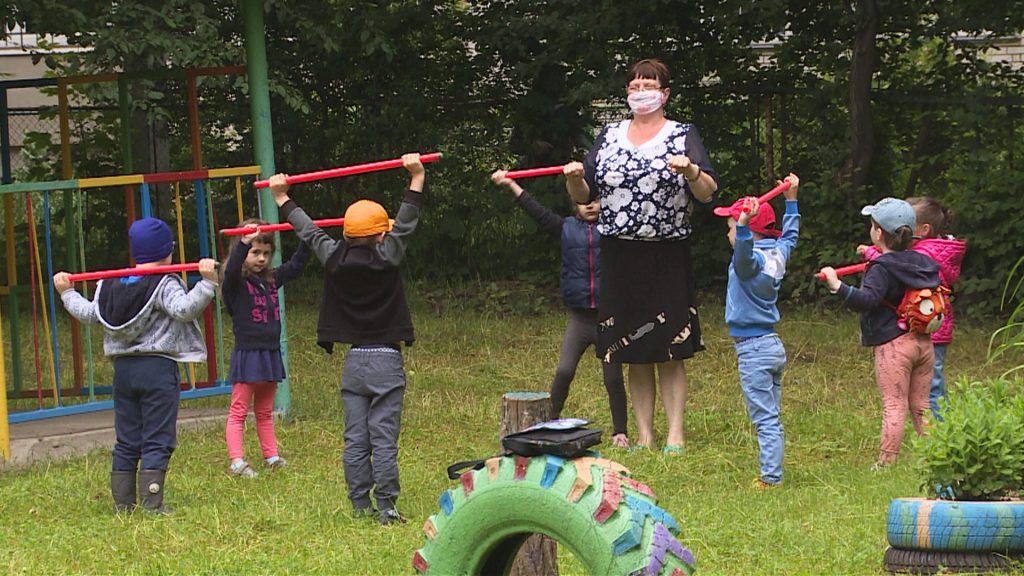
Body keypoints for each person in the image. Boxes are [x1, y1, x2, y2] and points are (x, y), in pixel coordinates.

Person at [564, 58, 718, 453]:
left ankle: (675, 436)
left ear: (664, 94)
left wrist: (691, 173)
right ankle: (645, 435)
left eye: (648, 85)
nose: (640, 92)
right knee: (631, 350)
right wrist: (575, 182)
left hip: (666, 253)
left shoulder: (683, 134)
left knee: (669, 348)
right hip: (619, 254)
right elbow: (586, 197)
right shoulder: (610, 134)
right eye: (633, 86)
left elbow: (708, 193)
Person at [268, 153, 425, 525]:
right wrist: (416, 176)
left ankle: (359, 507)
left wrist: (281, 198)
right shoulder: (389, 256)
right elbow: (406, 221)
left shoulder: (334, 258)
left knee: (356, 439)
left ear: (347, 234)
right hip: (386, 359)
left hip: (354, 364)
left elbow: (309, 231)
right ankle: (386, 507)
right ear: (381, 234)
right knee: (382, 439)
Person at [53, 217, 219, 514]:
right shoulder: (164, 282)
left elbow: (90, 314)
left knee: (127, 437)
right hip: (157, 370)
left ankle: (123, 505)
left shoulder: (110, 283)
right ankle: (152, 504)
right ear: (167, 251)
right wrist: (207, 282)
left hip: (124, 372)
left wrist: (67, 293)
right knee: (157, 436)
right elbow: (183, 309)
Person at [491, 169, 629, 448]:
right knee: (564, 371)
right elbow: (536, 211)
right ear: (574, 203)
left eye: (596, 200)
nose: (590, 205)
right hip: (579, 318)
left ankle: (620, 432)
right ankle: (549, 421)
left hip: (608, 318)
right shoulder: (565, 227)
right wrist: (511, 184)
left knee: (612, 377)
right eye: (583, 201)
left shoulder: (614, 230)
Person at [819, 198, 941, 468]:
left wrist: (837, 286)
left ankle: (886, 464)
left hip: (893, 346)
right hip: (924, 342)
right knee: (922, 405)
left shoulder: (881, 268)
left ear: (878, 232)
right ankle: (938, 458)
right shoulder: (923, 262)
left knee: (894, 404)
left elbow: (868, 300)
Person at [715, 174, 800, 488]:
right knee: (771, 416)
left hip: (753, 349)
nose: (729, 232)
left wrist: (741, 226)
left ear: (747, 231)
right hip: (772, 346)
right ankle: (773, 468)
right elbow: (790, 236)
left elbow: (744, 253)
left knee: (765, 419)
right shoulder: (777, 253)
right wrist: (792, 199)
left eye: (731, 227)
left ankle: (770, 478)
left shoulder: (747, 262)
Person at [858, 197, 966, 419]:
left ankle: (942, 438)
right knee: (930, 386)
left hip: (927, 329)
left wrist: (872, 254)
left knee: (931, 391)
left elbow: (897, 266)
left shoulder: (923, 254)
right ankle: (936, 433)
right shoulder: (935, 250)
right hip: (933, 327)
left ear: (924, 229)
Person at [220, 218, 311, 478]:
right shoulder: (235, 283)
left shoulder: (271, 279)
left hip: (270, 354)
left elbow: (295, 266)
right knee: (239, 410)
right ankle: (237, 461)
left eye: (266, 253)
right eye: (254, 252)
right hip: (248, 354)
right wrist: (243, 242)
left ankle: (271, 456)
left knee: (264, 411)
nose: (261, 258)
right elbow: (232, 269)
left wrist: (307, 236)